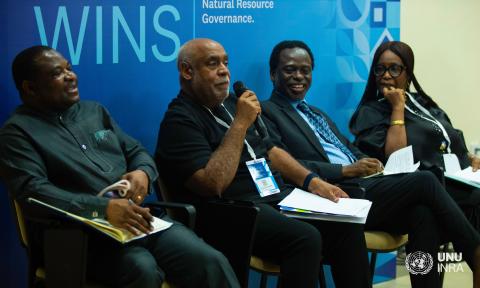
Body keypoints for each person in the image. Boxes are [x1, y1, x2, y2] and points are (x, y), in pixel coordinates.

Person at [0, 46, 240, 288]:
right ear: (30, 88)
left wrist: (142, 172)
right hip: (78, 237)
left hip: (137, 221)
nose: (71, 76)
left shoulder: (94, 112)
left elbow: (138, 152)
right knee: (142, 268)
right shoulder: (18, 133)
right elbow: (34, 193)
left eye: (69, 69)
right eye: (56, 74)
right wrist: (103, 209)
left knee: (210, 261)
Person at [261, 40, 480, 287]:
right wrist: (344, 170)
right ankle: (474, 250)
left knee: (423, 213)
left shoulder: (316, 113)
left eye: (305, 70)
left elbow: (347, 149)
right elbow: (283, 163)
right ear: (273, 74)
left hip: (364, 186)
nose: (298, 76)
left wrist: (366, 162)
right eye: (290, 69)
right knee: (425, 181)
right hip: (332, 192)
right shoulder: (266, 112)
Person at [155, 38, 372, 288]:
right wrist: (239, 124)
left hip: (274, 196)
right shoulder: (179, 119)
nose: (224, 70)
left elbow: (272, 152)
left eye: (225, 62)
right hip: (231, 210)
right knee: (304, 237)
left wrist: (314, 182)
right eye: (212, 64)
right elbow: (212, 184)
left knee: (347, 227)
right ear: (187, 70)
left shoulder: (232, 104)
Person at [349, 41, 480, 231]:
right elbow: (396, 160)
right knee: (471, 198)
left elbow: (447, 138)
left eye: (394, 69)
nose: (386, 75)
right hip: (414, 188)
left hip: (451, 181)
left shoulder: (423, 103)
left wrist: (470, 158)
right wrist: (397, 108)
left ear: (408, 73)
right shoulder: (371, 111)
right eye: (380, 69)